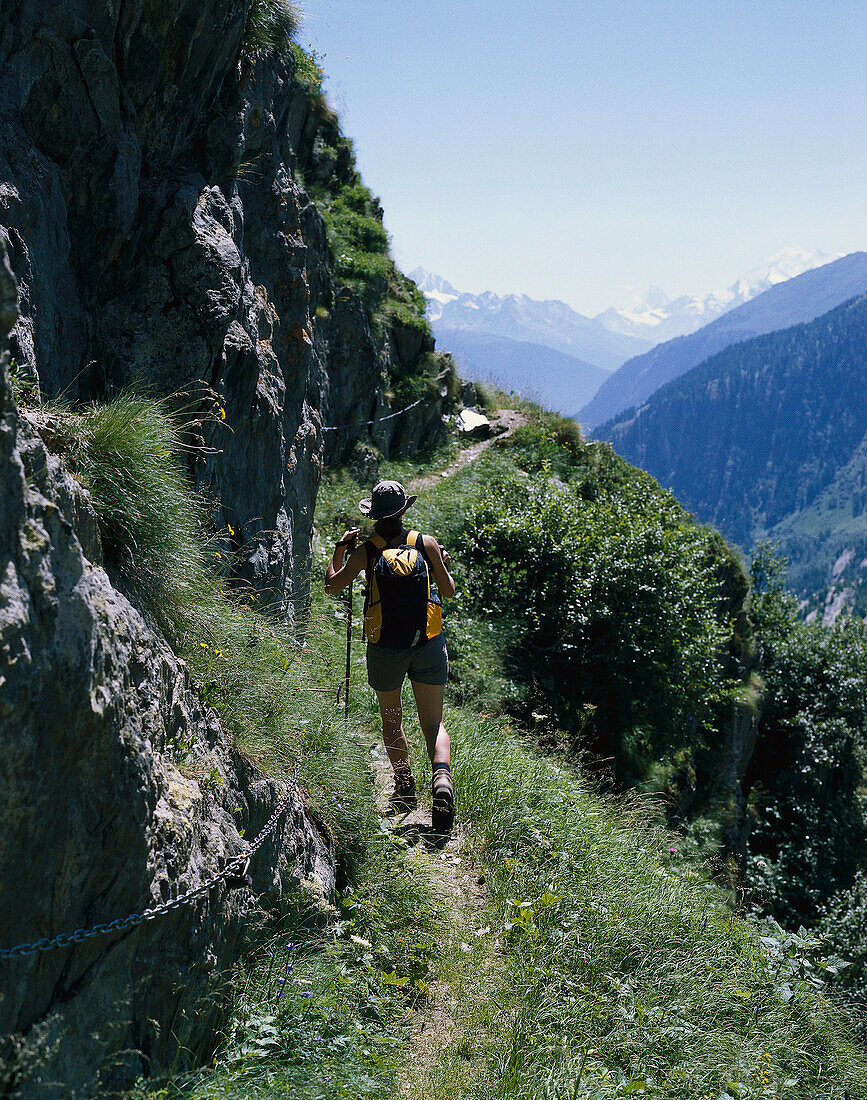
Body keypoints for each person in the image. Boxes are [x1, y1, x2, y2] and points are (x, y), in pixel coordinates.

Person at [324, 480, 456, 832]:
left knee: (392, 719)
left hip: (385, 649)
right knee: (433, 724)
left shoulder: (366, 551)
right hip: (427, 643)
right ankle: (441, 781)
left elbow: (332, 586)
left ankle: (404, 786)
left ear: (373, 516)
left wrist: (340, 550)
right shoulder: (424, 543)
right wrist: (442, 562)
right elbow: (448, 590)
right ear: (403, 512)